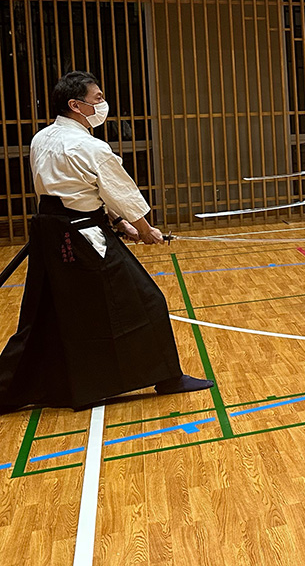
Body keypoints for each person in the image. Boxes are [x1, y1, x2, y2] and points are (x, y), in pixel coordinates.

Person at [0, 72, 212, 413]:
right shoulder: (89, 146)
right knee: (148, 302)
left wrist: (119, 222)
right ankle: (168, 377)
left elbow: (74, 191)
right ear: (76, 105)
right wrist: (145, 230)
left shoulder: (42, 138)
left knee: (47, 314)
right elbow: (121, 193)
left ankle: (8, 390)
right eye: (97, 98)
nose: (102, 104)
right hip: (85, 239)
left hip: (53, 237)